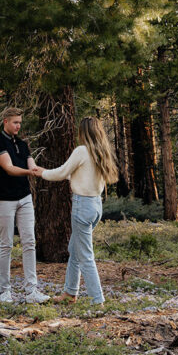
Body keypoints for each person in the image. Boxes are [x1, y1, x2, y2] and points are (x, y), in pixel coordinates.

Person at [32, 116, 118, 305]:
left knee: (85, 256)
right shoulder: (100, 152)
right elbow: (78, 175)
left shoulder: (82, 151)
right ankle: (70, 293)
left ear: (83, 132)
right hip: (96, 206)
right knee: (75, 249)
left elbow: (62, 172)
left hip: (82, 206)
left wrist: (42, 172)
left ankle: (98, 299)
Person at [0, 106, 50, 304]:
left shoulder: (22, 144)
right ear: (5, 121)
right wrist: (30, 172)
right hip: (4, 199)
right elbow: (9, 169)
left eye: (20, 123)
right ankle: (5, 290)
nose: (18, 126)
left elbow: (31, 165)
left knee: (29, 242)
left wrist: (43, 171)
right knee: (6, 244)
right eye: (15, 122)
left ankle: (31, 290)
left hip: (24, 198)